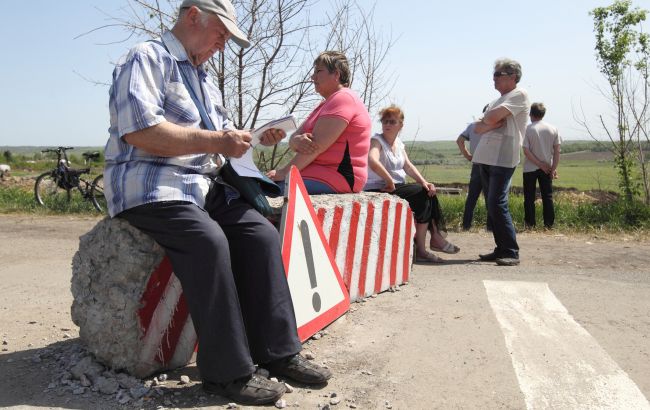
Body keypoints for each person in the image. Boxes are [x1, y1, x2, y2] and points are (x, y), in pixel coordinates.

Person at [103, 0, 331, 405]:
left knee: (259, 234)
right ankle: (226, 374)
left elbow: (221, 144)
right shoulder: (145, 58)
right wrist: (217, 141)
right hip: (152, 186)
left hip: (201, 186)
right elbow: (140, 131)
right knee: (209, 242)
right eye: (221, 34)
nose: (222, 45)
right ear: (193, 16)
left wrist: (255, 138)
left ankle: (277, 352)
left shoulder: (203, 78)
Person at [364, 105, 459, 264]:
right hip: (379, 186)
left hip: (395, 186)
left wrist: (424, 182)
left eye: (392, 121)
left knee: (427, 191)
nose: (387, 124)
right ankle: (431, 242)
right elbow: (372, 160)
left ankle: (428, 242)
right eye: (385, 121)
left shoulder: (399, 144)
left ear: (401, 125)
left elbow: (407, 166)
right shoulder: (377, 140)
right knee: (421, 193)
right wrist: (388, 180)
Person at [267, 51, 372, 194]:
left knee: (267, 191)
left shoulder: (343, 98)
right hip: (318, 173)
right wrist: (296, 140)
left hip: (337, 176)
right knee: (258, 184)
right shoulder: (324, 104)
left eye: (319, 71)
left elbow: (316, 146)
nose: (313, 76)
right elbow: (294, 138)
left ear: (336, 74)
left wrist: (285, 172)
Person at [472, 58, 530, 266]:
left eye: (498, 75)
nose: (493, 79)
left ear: (512, 77)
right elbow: (477, 127)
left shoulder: (519, 95)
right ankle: (500, 248)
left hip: (504, 157)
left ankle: (510, 251)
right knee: (491, 204)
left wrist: (489, 120)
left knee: (497, 202)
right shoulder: (499, 100)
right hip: (487, 156)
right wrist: (491, 121)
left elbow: (488, 119)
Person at [522, 102, 561, 228]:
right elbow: (557, 151)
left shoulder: (528, 129)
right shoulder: (553, 128)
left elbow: (526, 151)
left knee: (529, 197)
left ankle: (530, 224)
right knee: (547, 197)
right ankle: (548, 225)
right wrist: (553, 168)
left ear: (531, 114)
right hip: (547, 168)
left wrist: (539, 164)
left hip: (530, 168)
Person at [456, 104, 491, 231]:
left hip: (476, 164)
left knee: (472, 197)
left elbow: (459, 140)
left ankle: (466, 225)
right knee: (490, 197)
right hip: (491, 165)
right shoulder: (495, 126)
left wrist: (468, 156)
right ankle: (490, 226)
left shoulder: (472, 126)